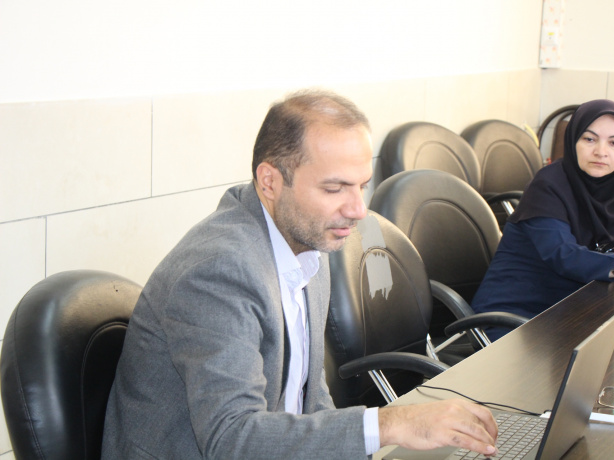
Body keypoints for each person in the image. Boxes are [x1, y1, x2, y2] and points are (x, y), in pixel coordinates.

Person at [102, 89, 498, 459]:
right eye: (335, 188)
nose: (358, 210)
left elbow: (310, 397)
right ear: (270, 182)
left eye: (361, 186)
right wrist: (389, 424)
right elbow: (232, 438)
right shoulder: (218, 272)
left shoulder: (307, 244)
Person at [471, 99, 614, 336]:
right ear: (573, 140)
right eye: (589, 139)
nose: (601, 152)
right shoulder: (548, 185)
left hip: (577, 311)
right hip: (516, 318)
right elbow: (564, 255)